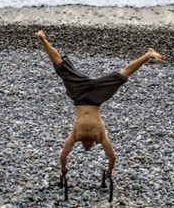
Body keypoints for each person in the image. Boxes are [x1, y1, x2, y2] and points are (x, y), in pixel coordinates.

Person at [35, 30, 162, 178]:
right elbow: (112, 157)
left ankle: (42, 39)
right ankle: (147, 55)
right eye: (89, 147)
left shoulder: (75, 136)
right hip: (96, 98)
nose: (87, 147)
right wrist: (108, 171)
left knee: (61, 67)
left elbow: (63, 155)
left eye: (85, 147)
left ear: (82, 145)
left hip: (79, 96)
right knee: (121, 76)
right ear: (93, 145)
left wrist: (63, 168)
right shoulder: (100, 137)